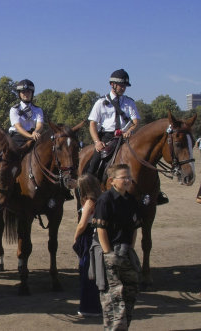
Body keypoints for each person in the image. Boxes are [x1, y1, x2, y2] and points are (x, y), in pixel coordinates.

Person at [87, 69, 169, 205]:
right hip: (107, 137)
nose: (124, 88)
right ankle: (89, 190)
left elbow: (136, 121)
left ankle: (155, 191)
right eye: (121, 85)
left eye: (125, 86)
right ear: (112, 85)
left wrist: (130, 130)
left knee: (148, 160)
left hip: (127, 137)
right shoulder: (101, 102)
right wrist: (97, 142)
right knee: (94, 162)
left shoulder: (129, 102)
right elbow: (92, 124)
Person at [91, 164, 141, 330]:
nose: (128, 180)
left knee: (130, 294)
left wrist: (130, 249)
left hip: (126, 252)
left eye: (129, 177)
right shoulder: (105, 200)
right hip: (111, 253)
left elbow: (134, 228)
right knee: (114, 298)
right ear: (112, 181)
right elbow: (101, 230)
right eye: (124, 177)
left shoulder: (131, 200)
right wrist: (109, 254)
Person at [73, 174, 102, 317]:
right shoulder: (101, 197)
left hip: (88, 235)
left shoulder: (90, 202)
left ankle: (88, 308)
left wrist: (76, 237)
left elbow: (82, 224)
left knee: (86, 271)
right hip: (97, 235)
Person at [8, 79, 44, 147]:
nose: (26, 94)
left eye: (28, 92)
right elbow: (18, 127)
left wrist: (35, 132)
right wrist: (30, 136)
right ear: (19, 94)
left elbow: (40, 125)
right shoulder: (14, 109)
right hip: (18, 138)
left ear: (32, 93)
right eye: (23, 92)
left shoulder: (38, 110)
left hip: (34, 136)